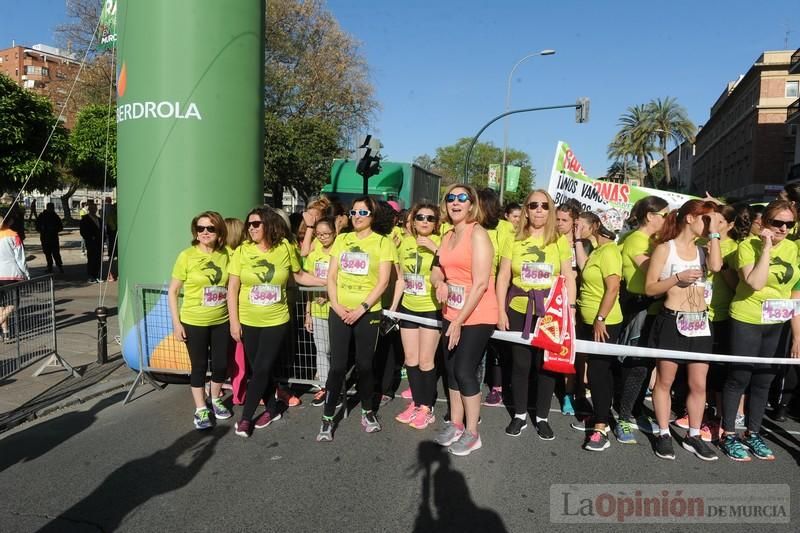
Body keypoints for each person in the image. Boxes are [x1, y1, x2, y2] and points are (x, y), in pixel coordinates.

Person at [228, 207, 324, 438]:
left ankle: (245, 418)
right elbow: (232, 288)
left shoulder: (284, 248)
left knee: (260, 369)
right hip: (249, 320)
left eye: (256, 224)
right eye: (249, 224)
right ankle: (272, 409)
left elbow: (299, 276)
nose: (250, 228)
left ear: (269, 225)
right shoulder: (242, 251)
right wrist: (234, 321)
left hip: (276, 320)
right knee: (262, 369)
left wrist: (328, 281)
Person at [720, 200, 800, 461]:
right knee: (739, 378)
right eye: (778, 223)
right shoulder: (747, 246)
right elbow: (754, 282)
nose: (783, 228)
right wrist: (766, 247)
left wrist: (797, 334)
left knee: (764, 380)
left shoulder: (792, 248)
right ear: (765, 222)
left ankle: (753, 433)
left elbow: (793, 292)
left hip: (776, 322)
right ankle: (729, 433)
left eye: (789, 224)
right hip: (747, 318)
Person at [644, 200, 722, 461]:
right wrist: (677, 278)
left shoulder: (704, 250)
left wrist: (713, 231)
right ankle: (664, 432)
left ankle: (694, 434)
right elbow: (650, 288)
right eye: (705, 219)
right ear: (690, 218)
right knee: (665, 381)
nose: (708, 224)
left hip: (699, 322)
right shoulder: (665, 249)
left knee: (699, 384)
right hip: (671, 319)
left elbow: (718, 266)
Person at [496, 190, 576, 441]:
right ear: (527, 209)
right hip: (518, 308)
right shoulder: (513, 239)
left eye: (544, 205)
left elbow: (568, 276)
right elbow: (503, 276)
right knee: (520, 364)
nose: (539, 209)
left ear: (550, 210)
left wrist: (570, 310)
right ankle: (519, 414)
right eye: (533, 205)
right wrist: (500, 309)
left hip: (551, 311)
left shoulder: (559, 240)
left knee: (546, 366)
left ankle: (542, 417)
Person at [316, 196, 397, 442]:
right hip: (339, 310)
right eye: (354, 212)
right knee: (338, 366)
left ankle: (367, 411)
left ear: (374, 215)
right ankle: (328, 417)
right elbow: (331, 276)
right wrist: (337, 306)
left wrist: (362, 308)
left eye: (363, 212)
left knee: (364, 365)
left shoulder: (383, 243)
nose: (357, 216)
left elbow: (384, 281)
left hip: (367, 312)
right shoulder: (342, 239)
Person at [430, 184, 498, 456]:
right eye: (450, 198)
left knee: (465, 371)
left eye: (462, 198)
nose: (455, 203)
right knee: (451, 369)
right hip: (451, 311)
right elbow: (436, 269)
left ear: (472, 205)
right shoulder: (447, 235)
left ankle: (472, 433)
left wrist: (458, 321)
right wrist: (439, 283)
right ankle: (456, 424)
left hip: (476, 314)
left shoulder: (478, 234)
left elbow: (481, 283)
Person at [167, 211, 232, 430]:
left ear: (219, 231)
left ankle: (214, 399)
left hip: (221, 319)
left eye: (210, 228)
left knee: (222, 364)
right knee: (199, 365)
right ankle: (200, 408)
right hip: (194, 320)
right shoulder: (186, 256)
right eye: (201, 228)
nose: (205, 232)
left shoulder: (228, 254)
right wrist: (177, 323)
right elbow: (173, 291)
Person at [615, 195, 669, 444]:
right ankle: (623, 416)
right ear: (650, 216)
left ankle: (635, 409)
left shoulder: (656, 241)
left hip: (656, 309)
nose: (669, 220)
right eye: (665, 215)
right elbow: (655, 271)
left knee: (646, 364)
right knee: (635, 364)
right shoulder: (637, 239)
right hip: (639, 309)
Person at [574, 209, 624, 451]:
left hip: (604, 322)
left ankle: (601, 427)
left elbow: (613, 288)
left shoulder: (611, 251)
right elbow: (584, 269)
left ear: (595, 225)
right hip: (589, 320)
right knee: (597, 371)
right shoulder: (597, 250)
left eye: (580, 224)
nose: (577, 227)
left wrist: (601, 318)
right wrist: (576, 240)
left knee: (597, 373)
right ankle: (599, 416)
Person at [391, 203, 441, 430]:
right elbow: (401, 278)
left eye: (430, 218)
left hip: (431, 308)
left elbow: (453, 270)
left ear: (436, 223)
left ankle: (426, 408)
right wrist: (393, 308)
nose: (424, 221)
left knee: (426, 360)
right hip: (408, 307)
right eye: (420, 217)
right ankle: (417, 402)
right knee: (410, 359)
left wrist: (434, 249)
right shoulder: (404, 243)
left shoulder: (442, 242)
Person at [303, 217, 338, 407]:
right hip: (317, 310)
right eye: (319, 234)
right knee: (321, 349)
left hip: (337, 308)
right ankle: (325, 386)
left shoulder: (339, 252)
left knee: (335, 351)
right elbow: (308, 283)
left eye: (326, 233)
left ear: (334, 232)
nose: (323, 237)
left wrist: (329, 294)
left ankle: (336, 386)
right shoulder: (313, 254)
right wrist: (307, 313)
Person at [224, 217, 247, 406]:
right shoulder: (238, 253)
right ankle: (240, 393)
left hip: (224, 311)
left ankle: (238, 390)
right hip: (239, 310)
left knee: (234, 357)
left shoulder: (225, 253)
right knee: (239, 356)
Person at [0, 207, 29, 342]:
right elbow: (20, 258)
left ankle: (6, 333)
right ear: (10, 221)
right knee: (13, 303)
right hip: (11, 274)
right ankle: (3, 328)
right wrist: (26, 274)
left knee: (1, 306)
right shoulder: (13, 235)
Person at [35, 202, 64, 274]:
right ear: (47, 208)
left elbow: (60, 227)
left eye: (52, 208)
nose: (51, 209)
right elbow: (37, 226)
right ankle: (50, 267)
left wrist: (54, 229)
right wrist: (42, 229)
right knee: (47, 253)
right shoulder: (42, 216)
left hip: (53, 238)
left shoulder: (55, 216)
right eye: (50, 207)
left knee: (56, 253)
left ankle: (59, 266)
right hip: (45, 237)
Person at [79, 200, 103, 283]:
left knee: (98, 259)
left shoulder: (99, 219)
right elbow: (83, 231)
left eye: (95, 208)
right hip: (91, 242)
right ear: (89, 209)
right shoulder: (85, 219)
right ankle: (91, 276)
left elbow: (102, 230)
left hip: (99, 242)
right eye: (92, 208)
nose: (94, 210)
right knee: (92, 259)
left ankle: (96, 275)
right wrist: (89, 238)